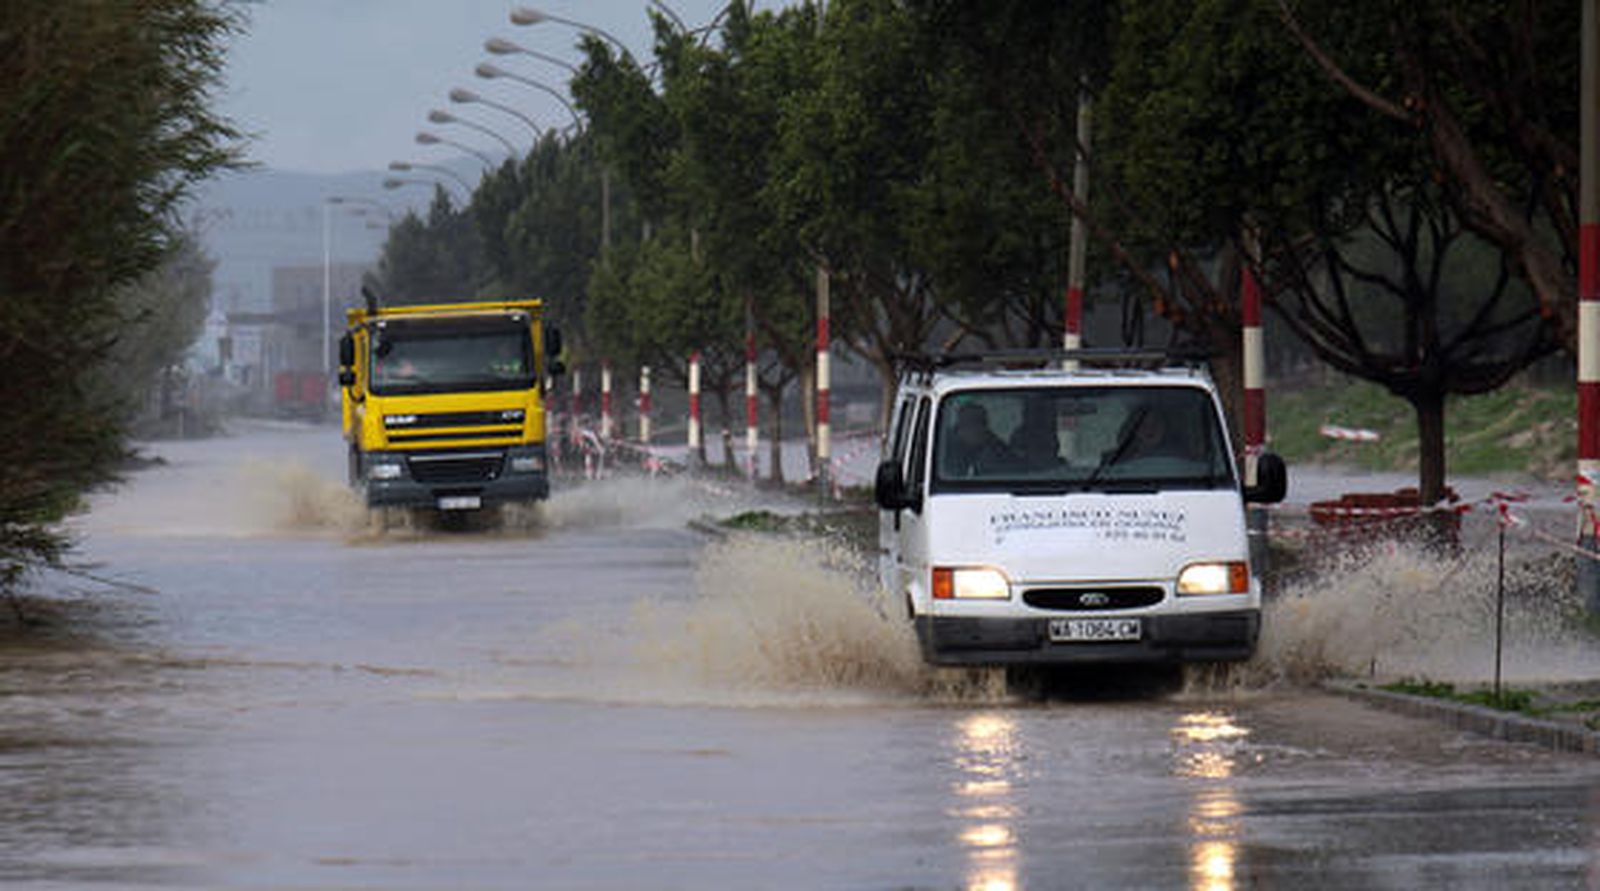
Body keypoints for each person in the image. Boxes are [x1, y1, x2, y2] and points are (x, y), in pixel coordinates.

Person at [942, 401, 1015, 477]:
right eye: (961, 424)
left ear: (983, 427)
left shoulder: (999, 453)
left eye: (969, 424)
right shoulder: (947, 450)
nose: (960, 431)